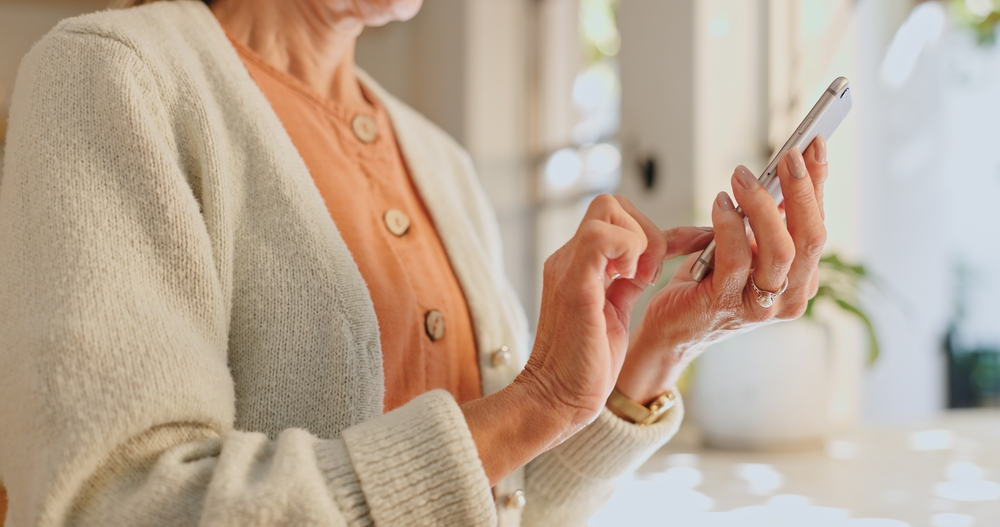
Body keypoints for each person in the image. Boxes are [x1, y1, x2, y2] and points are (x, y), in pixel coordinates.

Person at [0, 0, 830, 525]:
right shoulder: (111, 76)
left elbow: (508, 504)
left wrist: (653, 351)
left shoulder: (439, 159)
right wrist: (535, 401)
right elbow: (118, 505)